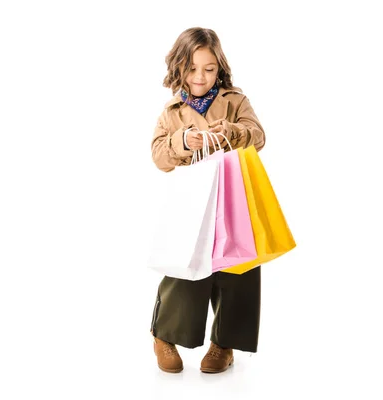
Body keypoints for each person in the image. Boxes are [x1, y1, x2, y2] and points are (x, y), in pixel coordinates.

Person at [150, 27, 266, 374]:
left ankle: (224, 343)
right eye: (192, 68)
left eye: (209, 68)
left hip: (233, 201)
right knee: (186, 269)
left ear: (220, 68)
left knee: (237, 267)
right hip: (192, 206)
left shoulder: (235, 101)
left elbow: (258, 137)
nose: (200, 76)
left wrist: (231, 131)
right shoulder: (171, 112)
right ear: (179, 68)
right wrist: (183, 142)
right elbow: (158, 156)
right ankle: (164, 336)